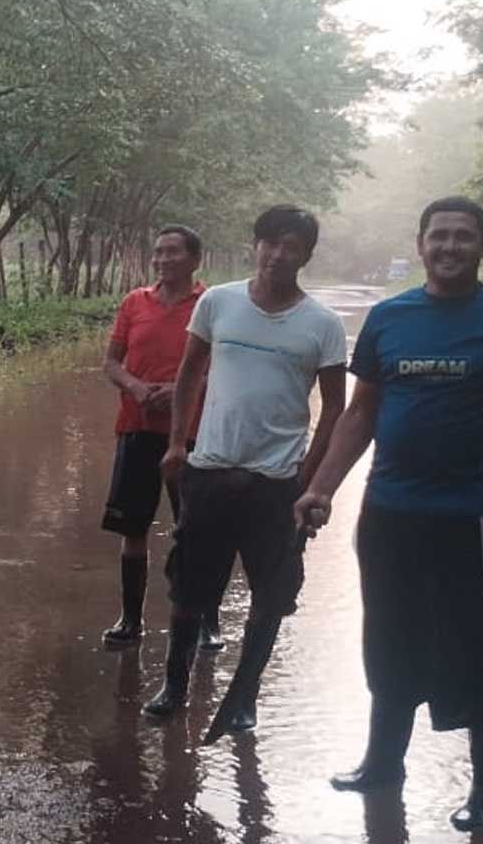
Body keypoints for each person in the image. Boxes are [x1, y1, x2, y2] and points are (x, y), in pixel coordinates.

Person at [295, 196, 483, 833]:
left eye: (463, 237)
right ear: (420, 245)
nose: (449, 247)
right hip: (389, 515)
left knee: (481, 660)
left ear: (482, 247)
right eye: (439, 236)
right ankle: (384, 764)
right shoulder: (389, 318)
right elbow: (360, 415)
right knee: (388, 643)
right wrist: (322, 487)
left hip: (471, 520)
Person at [145, 205, 347, 727]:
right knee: (189, 586)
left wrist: (311, 480)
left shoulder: (322, 326)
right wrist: (176, 443)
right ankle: (174, 684)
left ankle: (244, 698)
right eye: (270, 243)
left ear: (306, 254)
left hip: (277, 483)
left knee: (272, 593)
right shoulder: (218, 302)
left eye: (292, 246)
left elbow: (336, 412)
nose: (278, 255)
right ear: (255, 245)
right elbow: (190, 373)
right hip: (209, 472)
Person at [100, 225, 225, 650]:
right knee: (132, 528)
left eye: (174, 252)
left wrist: (182, 390)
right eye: (159, 252)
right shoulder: (135, 302)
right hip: (136, 429)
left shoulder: (212, 305)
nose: (164, 259)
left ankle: (207, 620)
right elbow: (111, 362)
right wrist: (134, 387)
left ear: (195, 259)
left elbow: (224, 368)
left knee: (197, 529)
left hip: (193, 435)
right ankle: (130, 619)